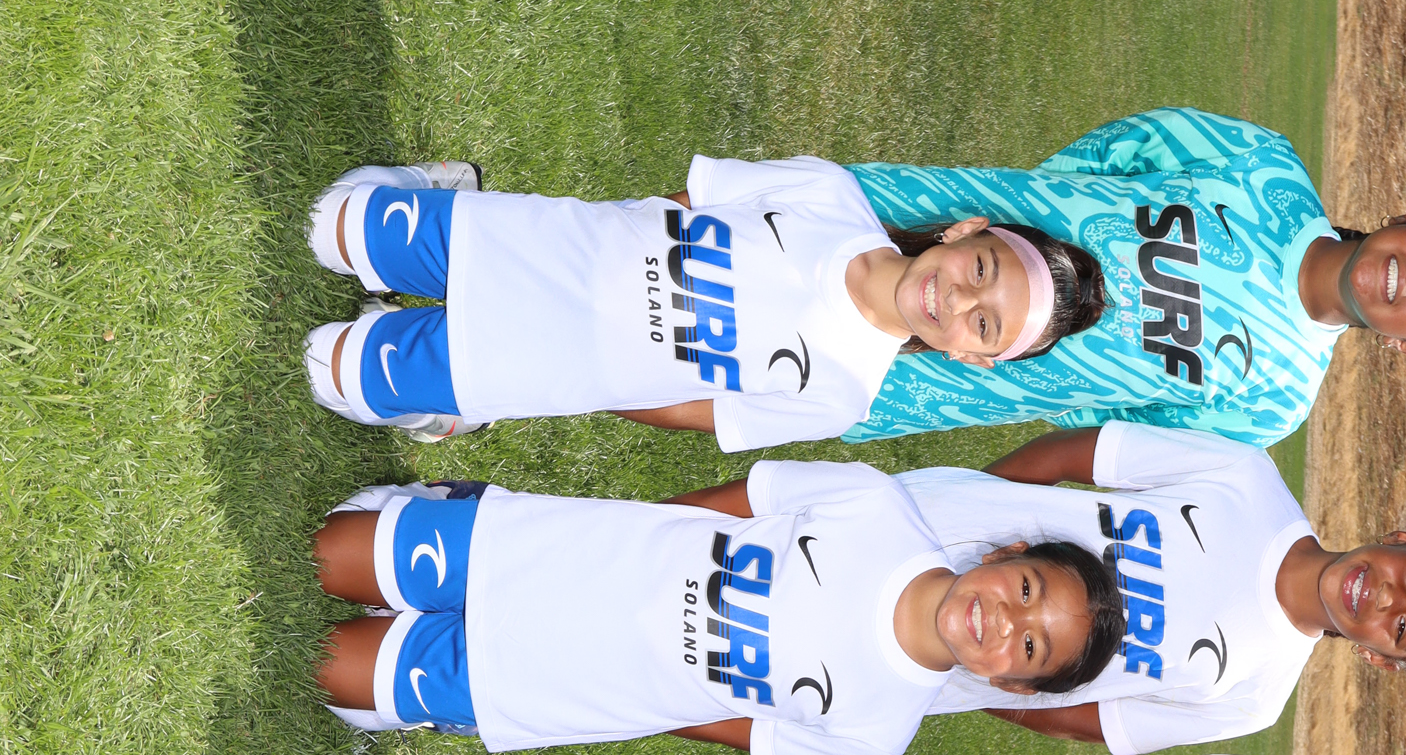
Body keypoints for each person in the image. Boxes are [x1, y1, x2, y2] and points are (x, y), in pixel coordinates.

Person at [307, 467, 1121, 755]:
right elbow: (735, 504)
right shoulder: (878, 506)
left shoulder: (882, 729)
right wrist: (607, 526)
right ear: (1006, 552)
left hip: (546, 684)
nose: (1003, 623)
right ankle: (448, 513)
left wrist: (649, 698)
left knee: (327, 670)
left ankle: (426, 670)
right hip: (547, 552)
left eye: (1028, 648)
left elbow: (737, 724)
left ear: (1010, 685)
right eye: (1025, 591)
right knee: (328, 552)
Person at [300, 159, 1102, 445]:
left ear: (968, 354)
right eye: (981, 267)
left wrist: (598, 376)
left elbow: (697, 409)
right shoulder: (831, 194)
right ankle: (436, 196)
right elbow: (689, 201)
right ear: (964, 231)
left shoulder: (843, 395)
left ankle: (444, 400)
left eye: (983, 322)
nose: (958, 297)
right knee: (329, 224)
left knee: (332, 373)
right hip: (530, 245)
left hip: (528, 366)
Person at [844, 109, 1406, 444]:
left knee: (795, 383)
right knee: (807, 237)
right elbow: (1125, 146)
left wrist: (1046, 384)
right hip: (932, 228)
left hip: (939, 383)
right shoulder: (1265, 165)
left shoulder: (1277, 403)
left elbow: (1122, 433)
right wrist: (1033, 214)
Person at [897, 422, 1406, 751]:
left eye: (1403, 628)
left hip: (926, 666)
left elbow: (1085, 720)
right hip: (916, 530)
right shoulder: (1246, 474)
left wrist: (969, 683)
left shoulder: (1256, 699)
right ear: (1403, 539)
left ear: (1380, 658)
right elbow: (1072, 455)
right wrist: (965, 505)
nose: (1388, 597)